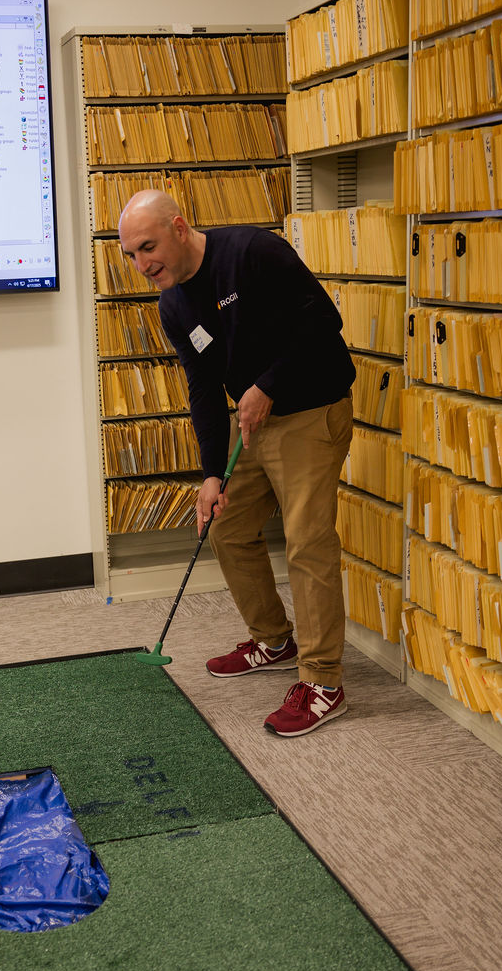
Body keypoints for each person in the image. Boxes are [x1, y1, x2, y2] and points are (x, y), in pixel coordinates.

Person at [117, 189, 356, 736]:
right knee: (226, 525)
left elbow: (324, 321)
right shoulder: (173, 304)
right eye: (131, 255)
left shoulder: (252, 252)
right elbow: (203, 388)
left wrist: (267, 385)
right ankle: (274, 641)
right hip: (255, 424)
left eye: (148, 247)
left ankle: (324, 682)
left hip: (312, 409)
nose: (142, 265)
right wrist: (209, 474)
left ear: (179, 227)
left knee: (307, 541)